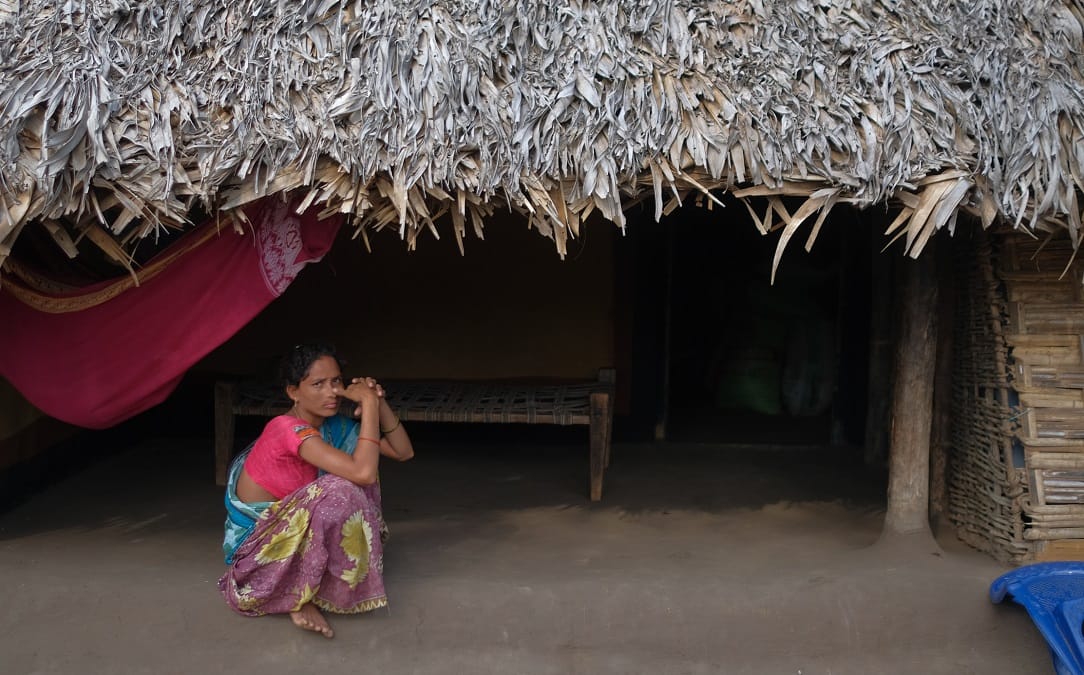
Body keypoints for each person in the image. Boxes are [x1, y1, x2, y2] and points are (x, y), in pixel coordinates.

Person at [218, 342, 414, 638]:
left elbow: (403, 452)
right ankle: (297, 594)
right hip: (259, 555)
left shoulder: (333, 427)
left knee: (359, 464)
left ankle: (310, 580)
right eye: (318, 384)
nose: (332, 392)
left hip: (293, 536)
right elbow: (362, 473)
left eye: (336, 381)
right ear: (293, 391)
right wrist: (369, 410)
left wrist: (378, 401)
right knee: (341, 487)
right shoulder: (286, 428)